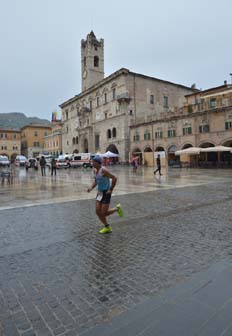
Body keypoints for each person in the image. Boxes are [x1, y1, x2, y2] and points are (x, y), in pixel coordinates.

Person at [87, 155, 123, 234]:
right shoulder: (95, 171)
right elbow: (96, 181)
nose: (92, 163)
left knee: (104, 213)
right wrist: (90, 188)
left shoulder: (103, 170)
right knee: (97, 211)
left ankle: (117, 209)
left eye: (93, 161)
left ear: (97, 162)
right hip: (100, 193)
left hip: (106, 192)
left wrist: (111, 189)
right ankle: (107, 227)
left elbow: (114, 178)